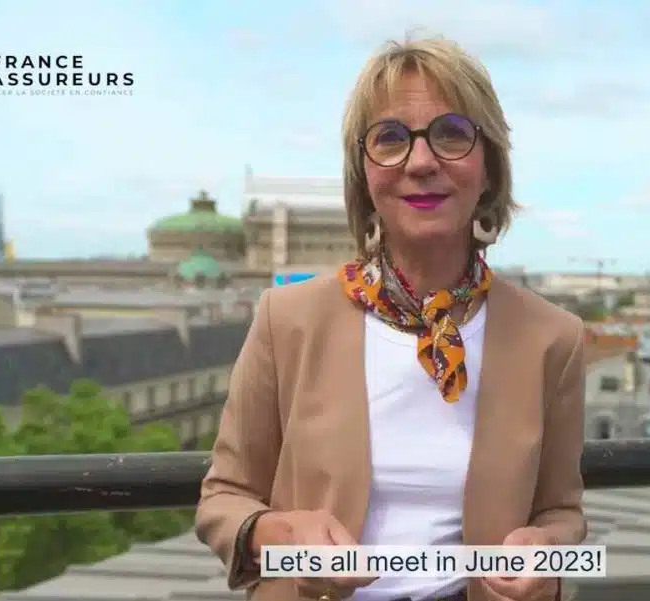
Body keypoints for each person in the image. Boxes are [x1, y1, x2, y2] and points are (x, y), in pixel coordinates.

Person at [196, 34, 587, 601]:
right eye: (390, 139)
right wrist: (284, 539)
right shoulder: (289, 320)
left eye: (452, 134)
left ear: (490, 168)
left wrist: (547, 551)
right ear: (363, 175)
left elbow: (563, 513)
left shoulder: (552, 338)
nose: (421, 162)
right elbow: (223, 500)